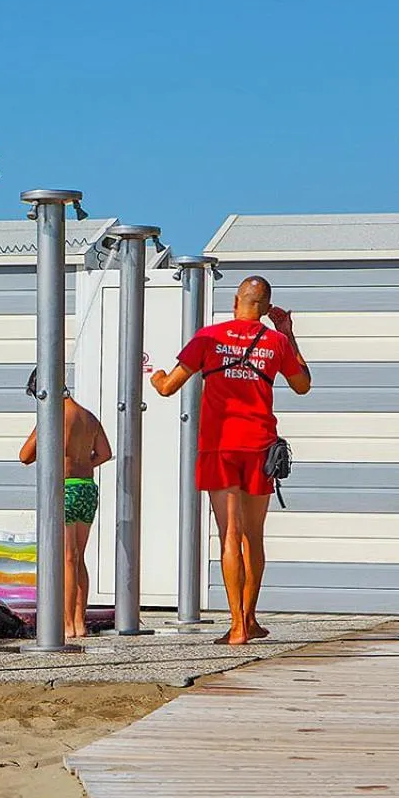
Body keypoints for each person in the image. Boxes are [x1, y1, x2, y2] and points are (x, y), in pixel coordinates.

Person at [150, 275, 312, 645]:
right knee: (254, 537)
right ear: (267, 307)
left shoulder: (209, 337)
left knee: (230, 536)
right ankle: (250, 620)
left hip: (220, 446)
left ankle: (236, 625)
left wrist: (154, 375)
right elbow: (303, 385)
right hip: (260, 446)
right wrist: (286, 331)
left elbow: (167, 387)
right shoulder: (275, 341)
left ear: (236, 301)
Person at [18, 390, 113, 639]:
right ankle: (80, 623)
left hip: (65, 489)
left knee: (67, 558)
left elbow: (25, 456)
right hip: (86, 489)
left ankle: (67, 624)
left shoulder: (54, 415)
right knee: (79, 557)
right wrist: (81, 464)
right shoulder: (88, 416)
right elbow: (105, 453)